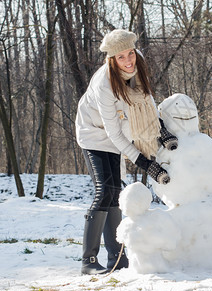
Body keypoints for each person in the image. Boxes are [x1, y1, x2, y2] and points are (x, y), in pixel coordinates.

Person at [75, 29, 178, 275]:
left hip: (119, 130)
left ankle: (117, 259)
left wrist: (160, 129)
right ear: (111, 59)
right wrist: (144, 163)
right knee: (104, 190)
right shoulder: (104, 84)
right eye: (121, 57)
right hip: (93, 132)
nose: (128, 60)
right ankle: (88, 261)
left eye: (130, 53)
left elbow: (146, 99)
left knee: (115, 191)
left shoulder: (136, 62)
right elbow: (113, 134)